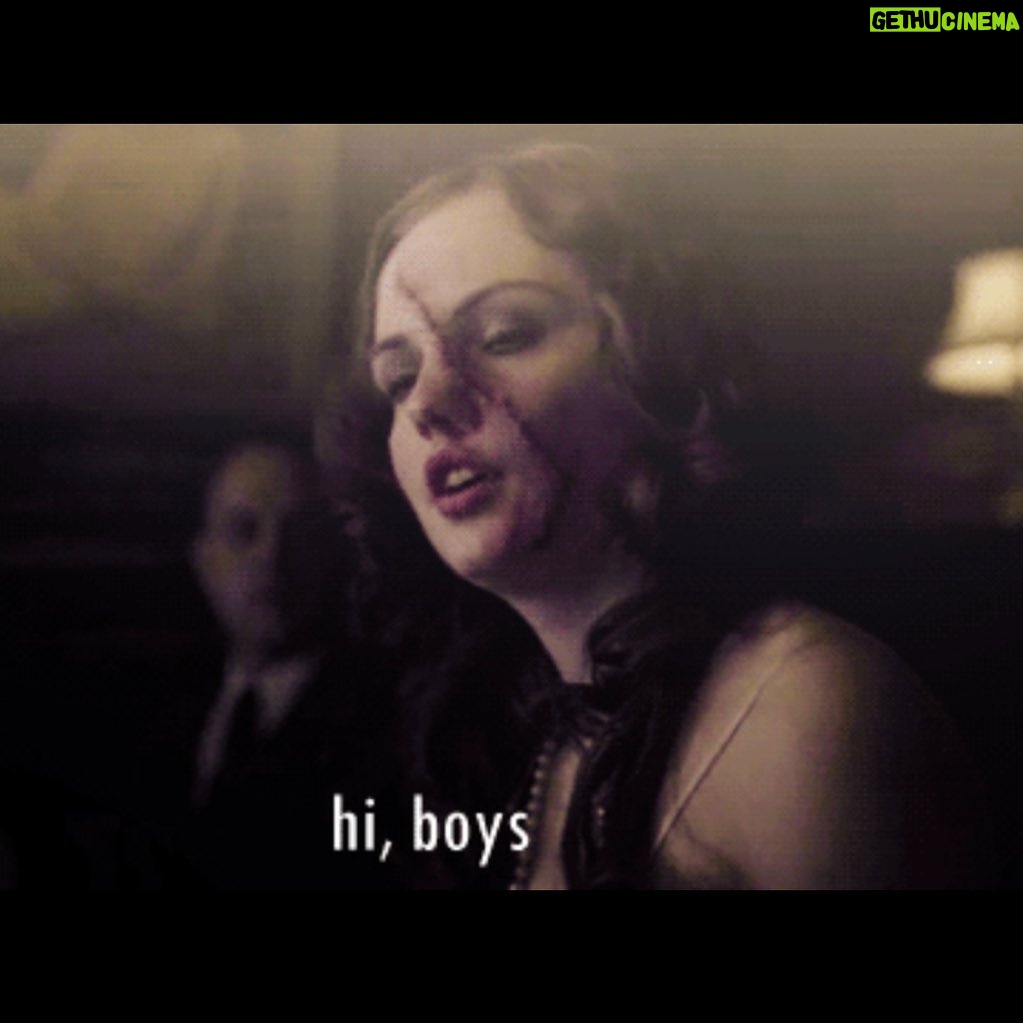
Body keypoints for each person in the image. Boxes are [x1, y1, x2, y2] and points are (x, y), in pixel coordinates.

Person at [319, 142, 979, 889]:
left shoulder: (810, 706)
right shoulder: (533, 733)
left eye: (504, 335)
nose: (429, 404)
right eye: (399, 377)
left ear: (662, 362)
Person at [186, 440, 396, 887]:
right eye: (243, 530)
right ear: (204, 558)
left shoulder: (388, 727)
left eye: (299, 533)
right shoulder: (154, 713)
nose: (271, 555)